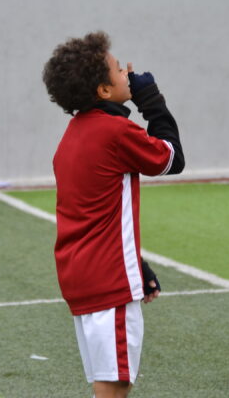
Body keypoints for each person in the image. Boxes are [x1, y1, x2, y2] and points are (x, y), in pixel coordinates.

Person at [42, 31, 185, 397]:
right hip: (108, 279)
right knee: (114, 385)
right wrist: (150, 98)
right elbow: (171, 158)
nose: (128, 73)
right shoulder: (115, 131)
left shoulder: (71, 136)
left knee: (110, 381)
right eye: (119, 69)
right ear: (104, 90)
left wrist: (137, 264)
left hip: (82, 275)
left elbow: (94, 214)